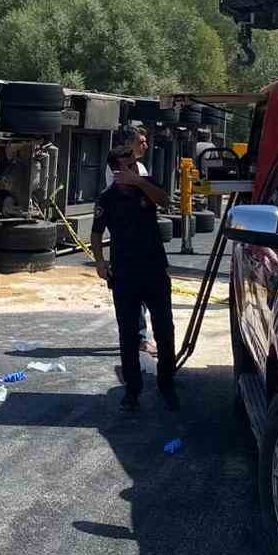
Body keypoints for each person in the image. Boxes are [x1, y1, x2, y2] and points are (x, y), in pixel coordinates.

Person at [92, 146, 179, 412]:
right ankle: (132, 391)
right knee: (128, 334)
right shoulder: (106, 199)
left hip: (153, 269)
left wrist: (139, 181)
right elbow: (96, 233)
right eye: (126, 166)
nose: (132, 168)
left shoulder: (147, 186)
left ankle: (167, 385)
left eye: (134, 164)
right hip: (125, 273)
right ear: (115, 170)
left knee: (164, 329)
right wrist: (99, 261)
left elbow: (165, 202)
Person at [103, 125, 157, 357]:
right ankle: (138, 339)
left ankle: (138, 336)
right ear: (128, 145)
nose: (146, 145)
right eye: (141, 141)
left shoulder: (140, 167)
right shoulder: (117, 168)